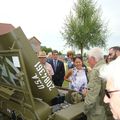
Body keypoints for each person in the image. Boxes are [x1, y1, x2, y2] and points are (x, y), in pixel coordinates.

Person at [84, 47, 107, 120]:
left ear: (93, 59)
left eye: (88, 59)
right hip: (105, 108)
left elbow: (91, 98)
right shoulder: (106, 67)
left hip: (96, 112)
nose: (87, 61)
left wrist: (85, 110)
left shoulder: (96, 71)